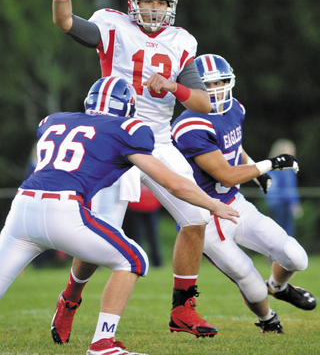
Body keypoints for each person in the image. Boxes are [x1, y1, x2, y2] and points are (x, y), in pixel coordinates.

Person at [0, 76, 239, 355]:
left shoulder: (55, 120)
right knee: (133, 259)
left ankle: (72, 305)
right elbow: (172, 182)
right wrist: (213, 204)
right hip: (64, 211)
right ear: (127, 106)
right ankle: (103, 343)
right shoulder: (126, 128)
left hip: (21, 209)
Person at [50, 0, 218, 340]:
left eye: (161, 3)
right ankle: (71, 298)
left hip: (157, 140)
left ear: (171, 8)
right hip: (115, 136)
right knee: (102, 238)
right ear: (133, 5)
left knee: (197, 217)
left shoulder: (181, 42)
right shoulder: (112, 26)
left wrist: (175, 86)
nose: (155, 9)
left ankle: (182, 308)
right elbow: (64, 22)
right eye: (148, 1)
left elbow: (204, 104)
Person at [171, 54, 317, 334]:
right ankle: (268, 320)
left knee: (296, 257)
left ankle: (279, 286)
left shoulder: (235, 108)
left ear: (230, 82)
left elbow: (233, 148)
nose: (215, 90)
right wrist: (271, 164)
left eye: (221, 82)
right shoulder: (190, 125)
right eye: (207, 85)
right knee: (247, 278)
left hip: (234, 203)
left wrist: (254, 168)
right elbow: (224, 173)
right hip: (203, 215)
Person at [265, 139, 303, 236]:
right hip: (284, 203)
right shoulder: (287, 168)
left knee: (275, 232)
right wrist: (294, 203)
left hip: (272, 203)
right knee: (286, 234)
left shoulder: (269, 167)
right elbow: (289, 187)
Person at [123, 184, 163, 267]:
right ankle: (140, 261)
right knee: (138, 236)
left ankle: (155, 262)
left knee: (151, 236)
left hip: (148, 205)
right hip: (137, 206)